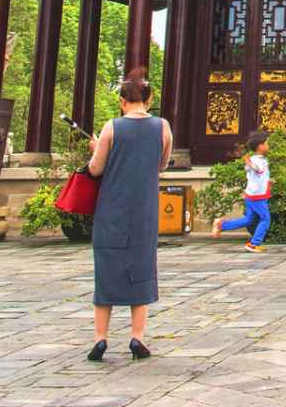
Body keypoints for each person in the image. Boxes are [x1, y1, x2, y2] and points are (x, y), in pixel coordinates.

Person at [85, 75, 171, 361]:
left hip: (112, 206)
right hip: (144, 208)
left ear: (122, 101)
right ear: (149, 100)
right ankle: (136, 337)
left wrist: (96, 149)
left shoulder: (112, 127)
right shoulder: (162, 127)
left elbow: (95, 169)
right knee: (142, 269)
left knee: (107, 270)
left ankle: (100, 338)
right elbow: (162, 164)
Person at [211, 130, 274, 251]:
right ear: (260, 146)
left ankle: (221, 225)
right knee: (265, 219)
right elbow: (257, 170)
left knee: (249, 220)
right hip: (257, 197)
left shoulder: (259, 159)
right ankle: (254, 243)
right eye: (267, 143)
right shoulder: (256, 161)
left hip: (254, 195)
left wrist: (268, 180)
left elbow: (257, 174)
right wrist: (251, 164)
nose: (268, 146)